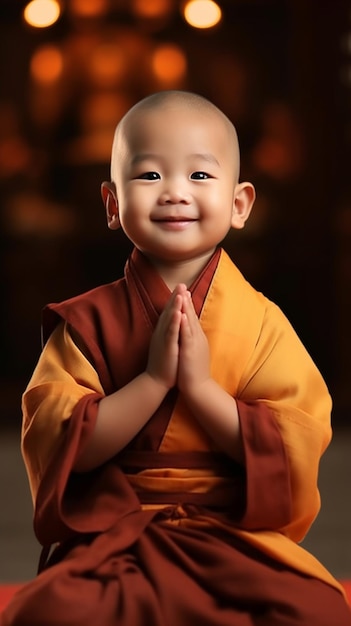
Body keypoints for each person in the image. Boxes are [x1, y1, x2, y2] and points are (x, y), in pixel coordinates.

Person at [1, 90, 350, 626]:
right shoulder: (86, 323)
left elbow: (293, 443)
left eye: (200, 176)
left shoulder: (262, 324)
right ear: (112, 204)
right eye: (148, 176)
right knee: (49, 612)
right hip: (116, 530)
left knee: (319, 611)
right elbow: (62, 443)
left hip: (234, 531)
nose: (174, 194)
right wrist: (155, 380)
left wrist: (203, 392)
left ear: (240, 205)